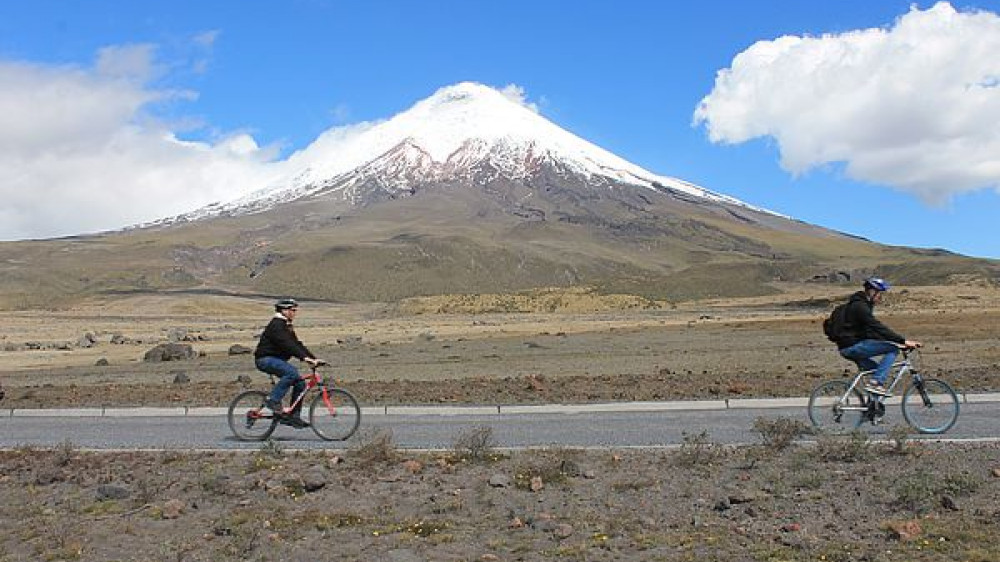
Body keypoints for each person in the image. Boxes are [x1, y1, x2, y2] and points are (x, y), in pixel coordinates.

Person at [835, 277, 921, 395]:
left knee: (878, 371)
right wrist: (902, 341)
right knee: (892, 349)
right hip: (853, 347)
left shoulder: (860, 305)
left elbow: (871, 332)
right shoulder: (860, 307)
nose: (880, 297)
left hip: (846, 347)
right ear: (871, 291)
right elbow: (877, 327)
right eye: (879, 293)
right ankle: (876, 383)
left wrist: (895, 340)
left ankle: (871, 407)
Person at [254, 298, 320, 428]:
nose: (294, 313)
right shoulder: (277, 325)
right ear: (284, 310)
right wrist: (304, 358)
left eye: (295, 310)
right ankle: (272, 400)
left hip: (276, 360)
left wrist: (313, 358)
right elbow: (287, 345)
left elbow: (296, 344)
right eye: (292, 310)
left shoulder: (286, 325)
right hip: (265, 359)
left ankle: (293, 416)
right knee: (291, 373)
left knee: (300, 383)